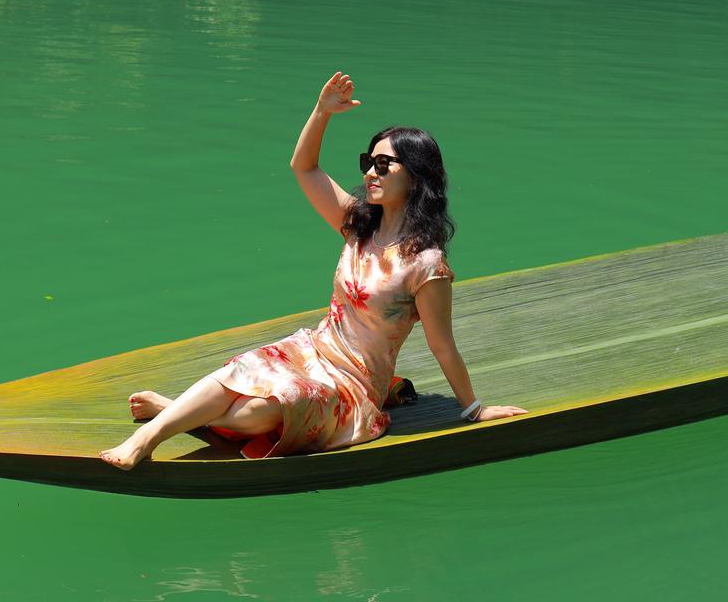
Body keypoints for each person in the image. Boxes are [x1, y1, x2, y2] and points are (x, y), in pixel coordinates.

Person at [98, 71, 527, 470]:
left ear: (416, 178)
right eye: (367, 161)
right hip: (311, 351)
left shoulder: (426, 265)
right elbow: (303, 168)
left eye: (383, 165)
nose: (369, 172)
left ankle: (176, 408)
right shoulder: (359, 225)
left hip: (353, 385)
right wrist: (321, 112)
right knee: (242, 371)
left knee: (255, 412)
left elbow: (443, 345)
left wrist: (474, 409)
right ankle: (148, 438)